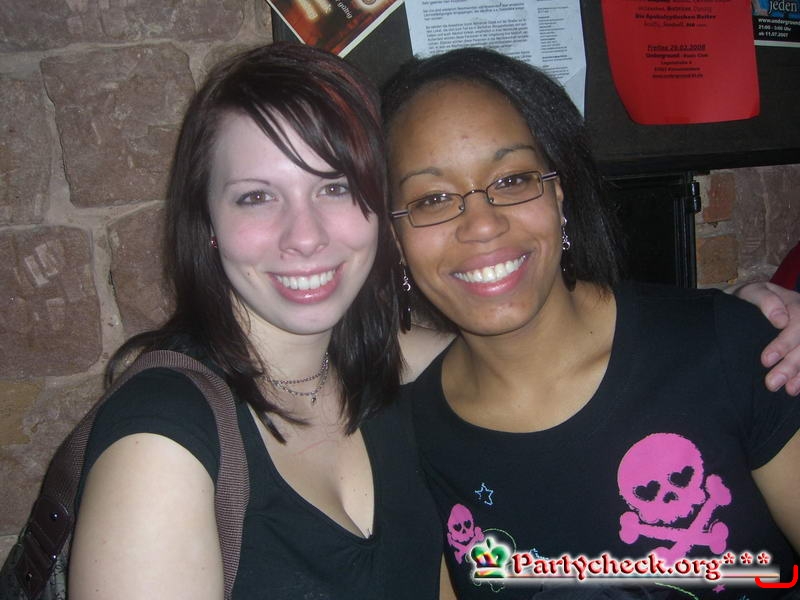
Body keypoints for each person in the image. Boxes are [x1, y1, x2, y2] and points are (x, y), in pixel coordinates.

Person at [383, 48, 800, 599]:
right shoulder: (410, 443)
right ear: (395, 240)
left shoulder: (733, 346)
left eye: (512, 180)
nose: (481, 224)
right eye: (433, 199)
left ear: (558, 196)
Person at [68, 43, 446, 599]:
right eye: (256, 197)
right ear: (208, 222)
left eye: (335, 186)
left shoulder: (382, 366)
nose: (305, 236)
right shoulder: (159, 449)